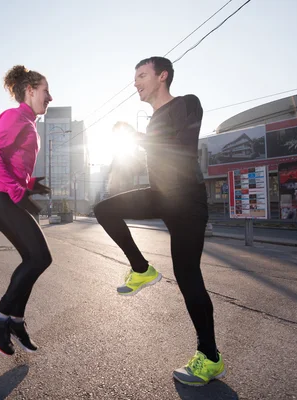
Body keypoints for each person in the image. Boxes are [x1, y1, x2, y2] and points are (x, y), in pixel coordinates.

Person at [93, 57, 225, 386]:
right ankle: (141, 269)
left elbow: (178, 147)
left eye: (141, 75)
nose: (135, 82)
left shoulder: (186, 104)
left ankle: (209, 358)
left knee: (187, 275)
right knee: (104, 209)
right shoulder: (152, 123)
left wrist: (135, 137)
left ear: (161, 76)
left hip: (186, 200)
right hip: (160, 194)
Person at [0, 65, 53, 356]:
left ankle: (16, 320)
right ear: (30, 90)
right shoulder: (15, 116)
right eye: (46, 91)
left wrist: (30, 183)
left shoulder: (29, 122)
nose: (50, 97)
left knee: (34, 259)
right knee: (41, 257)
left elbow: (12, 162)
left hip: (5, 196)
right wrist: (16, 190)